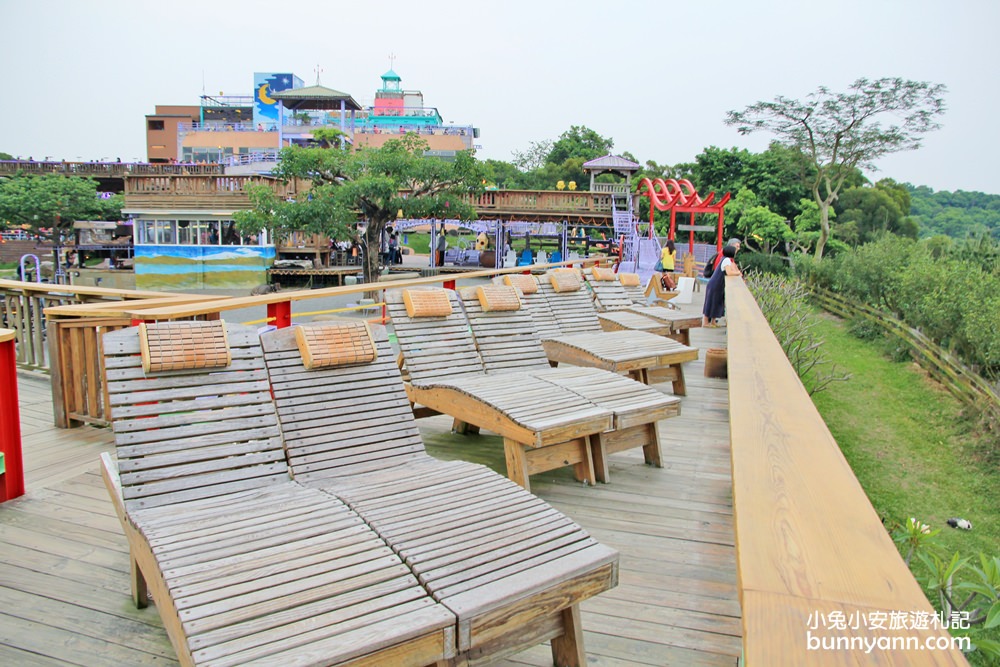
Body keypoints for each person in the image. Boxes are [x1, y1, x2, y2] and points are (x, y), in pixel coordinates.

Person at [702, 243, 742, 327]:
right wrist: (738, 273)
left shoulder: (725, 259)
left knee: (716, 302)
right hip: (715, 284)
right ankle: (706, 323)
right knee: (711, 302)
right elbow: (729, 272)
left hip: (717, 284)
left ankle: (713, 322)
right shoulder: (726, 260)